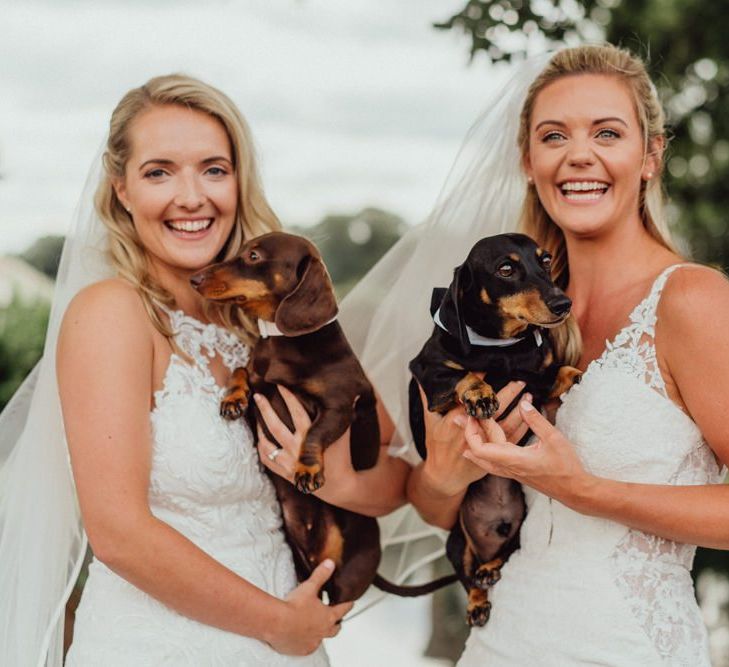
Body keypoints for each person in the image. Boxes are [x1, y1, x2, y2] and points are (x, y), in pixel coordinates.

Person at [0, 74, 408, 666]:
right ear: (122, 190)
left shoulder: (263, 321)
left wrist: (335, 477)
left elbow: (393, 480)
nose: (191, 197)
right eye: (159, 172)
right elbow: (117, 534)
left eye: (213, 169)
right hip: (165, 646)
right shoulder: (111, 314)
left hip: (289, 643)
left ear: (239, 181)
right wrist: (279, 624)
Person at [402, 44, 729, 666]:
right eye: (555, 136)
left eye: (607, 132)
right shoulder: (501, 320)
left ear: (651, 156)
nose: (580, 154)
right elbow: (433, 506)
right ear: (529, 161)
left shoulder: (694, 301)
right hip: (497, 644)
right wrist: (443, 474)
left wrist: (583, 490)